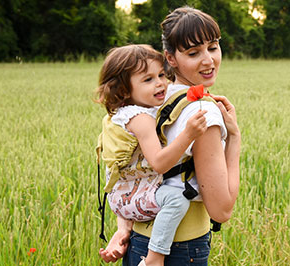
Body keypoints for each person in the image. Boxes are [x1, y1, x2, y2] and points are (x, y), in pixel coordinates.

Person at [100, 6, 241, 266]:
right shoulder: (203, 113)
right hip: (179, 249)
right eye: (193, 52)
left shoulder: (149, 99)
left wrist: (123, 228)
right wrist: (234, 138)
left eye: (213, 47)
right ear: (171, 58)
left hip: (137, 242)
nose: (208, 60)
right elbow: (222, 210)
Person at [95, 44, 209, 266]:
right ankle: (155, 257)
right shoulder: (141, 119)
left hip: (122, 194)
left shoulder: (124, 112)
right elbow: (159, 163)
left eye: (161, 75)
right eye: (147, 80)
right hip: (131, 197)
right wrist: (188, 134)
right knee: (176, 199)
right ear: (124, 91)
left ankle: (122, 231)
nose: (160, 83)